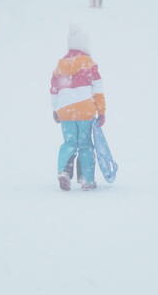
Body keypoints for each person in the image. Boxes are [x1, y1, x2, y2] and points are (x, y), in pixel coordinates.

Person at [50, 25, 106, 191]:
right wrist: (101, 111)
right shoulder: (89, 63)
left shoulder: (60, 64)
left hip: (66, 111)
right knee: (85, 145)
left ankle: (63, 172)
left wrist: (56, 109)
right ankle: (86, 179)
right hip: (84, 111)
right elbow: (98, 90)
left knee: (69, 143)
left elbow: (54, 89)